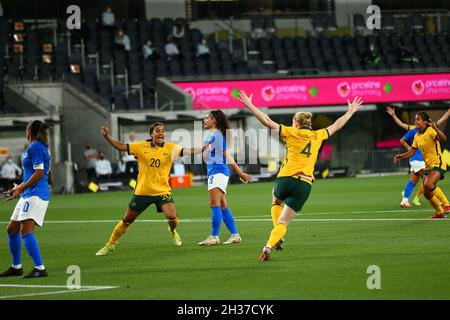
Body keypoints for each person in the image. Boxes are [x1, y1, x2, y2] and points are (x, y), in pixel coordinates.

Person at [237, 90, 364, 261]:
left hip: (286, 178)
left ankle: (278, 236)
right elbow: (337, 125)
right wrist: (351, 111)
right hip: (305, 184)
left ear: (297, 123)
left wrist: (250, 105)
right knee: (284, 222)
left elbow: (267, 121)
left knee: (276, 200)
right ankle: (268, 245)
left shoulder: (291, 132)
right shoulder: (317, 135)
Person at [95, 122, 205, 255]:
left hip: (162, 190)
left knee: (172, 216)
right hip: (143, 191)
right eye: (158, 131)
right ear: (151, 134)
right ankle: (110, 245)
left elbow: (188, 150)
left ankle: (172, 231)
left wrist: (202, 148)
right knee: (127, 220)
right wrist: (107, 136)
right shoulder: (141, 146)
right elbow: (121, 146)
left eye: (163, 131)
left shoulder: (171, 148)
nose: (161, 133)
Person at [0, 120, 51, 278]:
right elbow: (32, 173)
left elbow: (39, 173)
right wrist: (19, 188)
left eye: (26, 128)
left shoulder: (35, 146)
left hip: (36, 194)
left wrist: (22, 188)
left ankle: (40, 268)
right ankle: (16, 267)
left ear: (29, 130)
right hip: (28, 193)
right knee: (12, 229)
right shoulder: (38, 146)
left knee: (25, 231)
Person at [197, 110, 252, 246]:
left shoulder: (218, 136)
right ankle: (235, 235)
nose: (204, 120)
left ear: (214, 120)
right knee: (222, 205)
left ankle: (214, 236)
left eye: (207, 118)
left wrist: (240, 173)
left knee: (214, 204)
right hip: (214, 173)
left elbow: (227, 156)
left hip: (218, 172)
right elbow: (204, 156)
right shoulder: (210, 137)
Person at [387, 106, 450, 209]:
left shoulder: (431, 129)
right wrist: (401, 156)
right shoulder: (415, 133)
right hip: (423, 163)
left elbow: (443, 135)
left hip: (434, 162)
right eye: (415, 119)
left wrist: (436, 127)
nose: (415, 121)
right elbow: (411, 150)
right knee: (425, 188)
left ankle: (446, 204)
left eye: (418, 119)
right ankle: (439, 210)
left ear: (425, 122)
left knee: (423, 183)